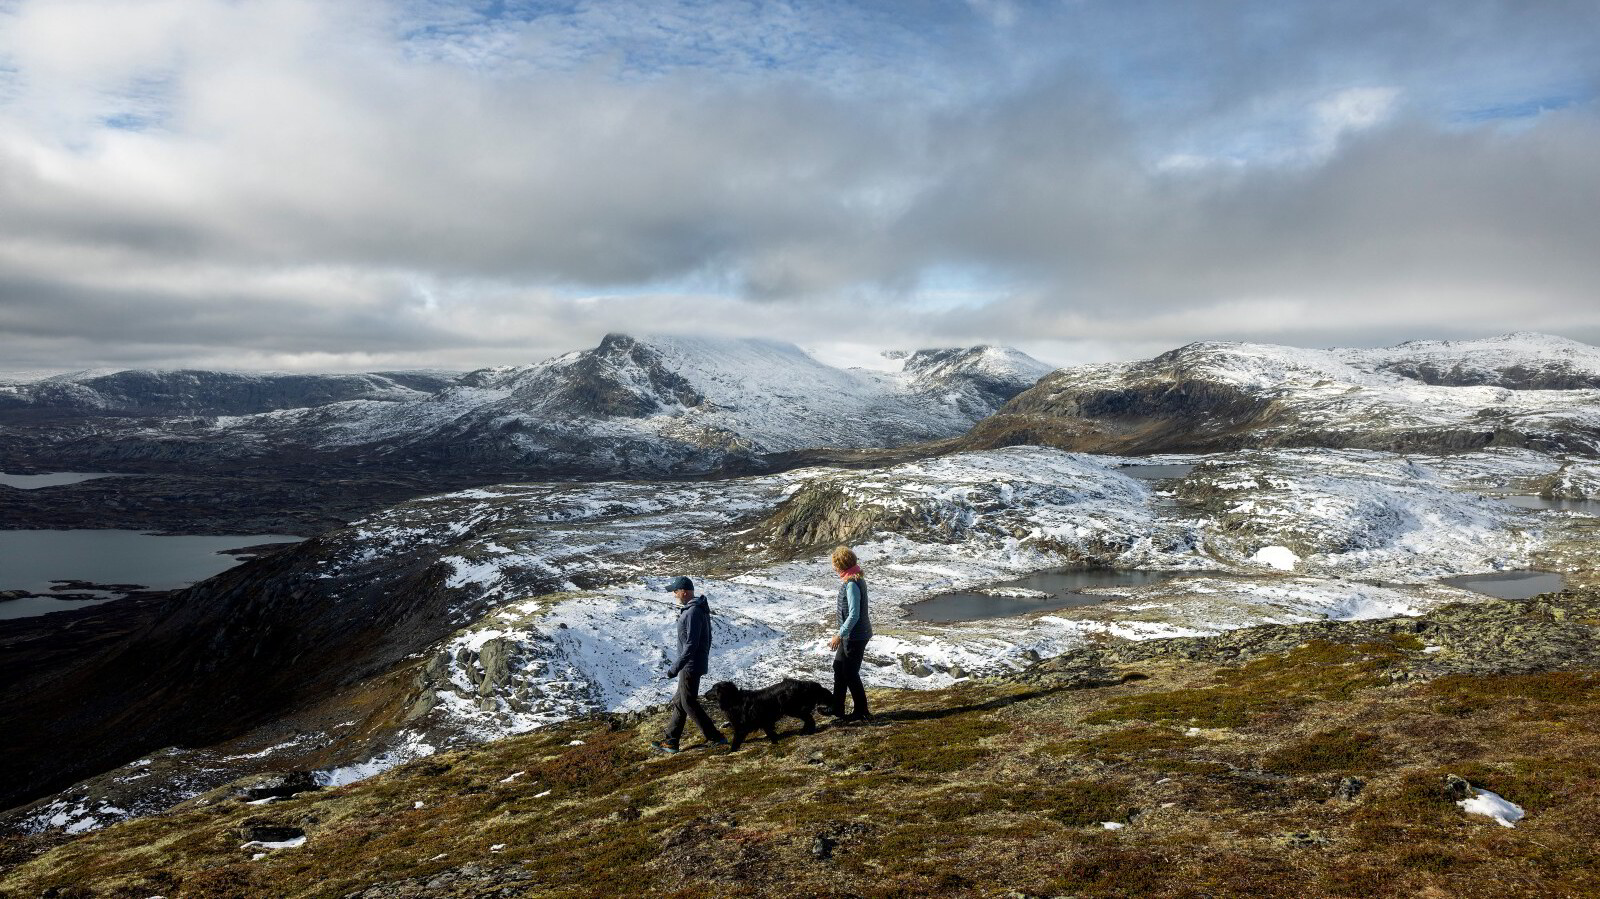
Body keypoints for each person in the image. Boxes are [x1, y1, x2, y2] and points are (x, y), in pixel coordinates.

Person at [651, 575, 727, 753]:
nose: (674, 595)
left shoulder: (693, 612)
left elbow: (691, 645)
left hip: (690, 666)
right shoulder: (696, 609)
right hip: (692, 664)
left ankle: (716, 737)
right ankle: (671, 741)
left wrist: (674, 668)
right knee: (681, 701)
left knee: (688, 702)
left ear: (683, 592)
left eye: (675, 591)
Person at [828, 546, 872, 722]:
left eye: (835, 564)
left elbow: (854, 614)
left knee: (850, 673)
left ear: (841, 565)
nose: (833, 568)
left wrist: (839, 634)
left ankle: (861, 712)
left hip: (855, 637)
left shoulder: (852, 584)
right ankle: (837, 708)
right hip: (852, 635)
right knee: (839, 668)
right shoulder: (854, 578)